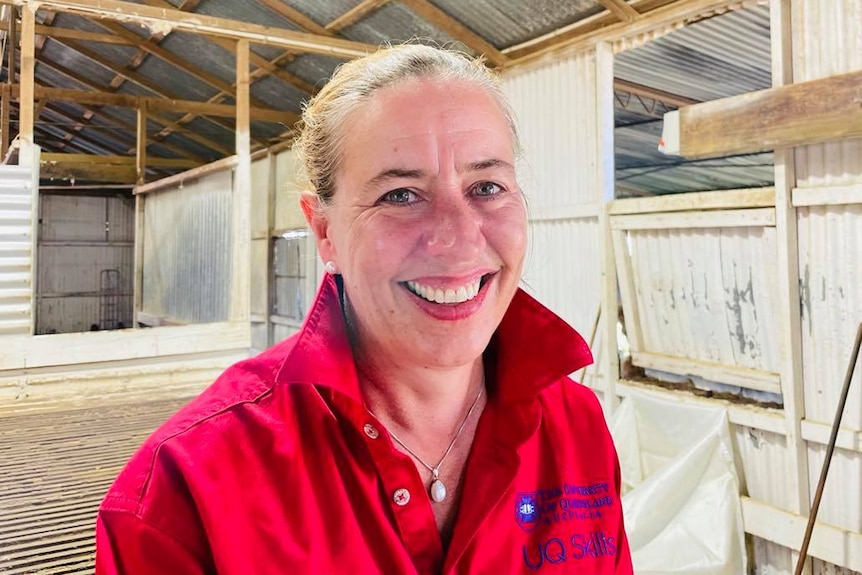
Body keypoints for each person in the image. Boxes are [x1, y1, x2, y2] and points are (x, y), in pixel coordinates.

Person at [95, 44, 632, 574]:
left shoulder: (575, 427)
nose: (459, 239)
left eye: (486, 187)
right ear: (325, 231)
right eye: (400, 195)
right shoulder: (184, 490)